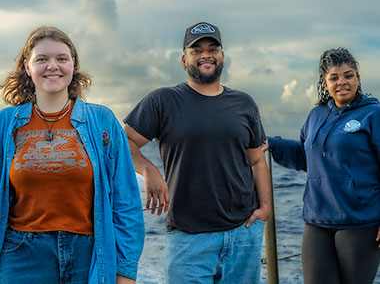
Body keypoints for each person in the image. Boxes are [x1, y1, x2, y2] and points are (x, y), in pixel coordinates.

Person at [124, 22, 272, 283]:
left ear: (222, 56)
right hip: (188, 238)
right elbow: (124, 141)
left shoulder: (244, 103)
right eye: (197, 50)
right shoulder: (163, 101)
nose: (206, 54)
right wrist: (149, 169)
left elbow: (257, 160)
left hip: (243, 234)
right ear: (184, 60)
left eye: (212, 48)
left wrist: (266, 209)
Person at [0, 26, 145, 284]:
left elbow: (126, 201)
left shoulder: (102, 121)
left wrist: (125, 271)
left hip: (89, 255)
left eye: (61, 58)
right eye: (42, 59)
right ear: (27, 66)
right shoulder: (6, 123)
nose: (52, 66)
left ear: (73, 65)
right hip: (21, 255)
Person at [265, 47, 380, 284]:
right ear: (325, 83)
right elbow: (306, 157)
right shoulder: (316, 115)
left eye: (348, 75)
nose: (342, 82)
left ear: (358, 78)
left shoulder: (373, 114)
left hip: (359, 222)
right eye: (334, 77)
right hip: (317, 220)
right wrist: (271, 144)